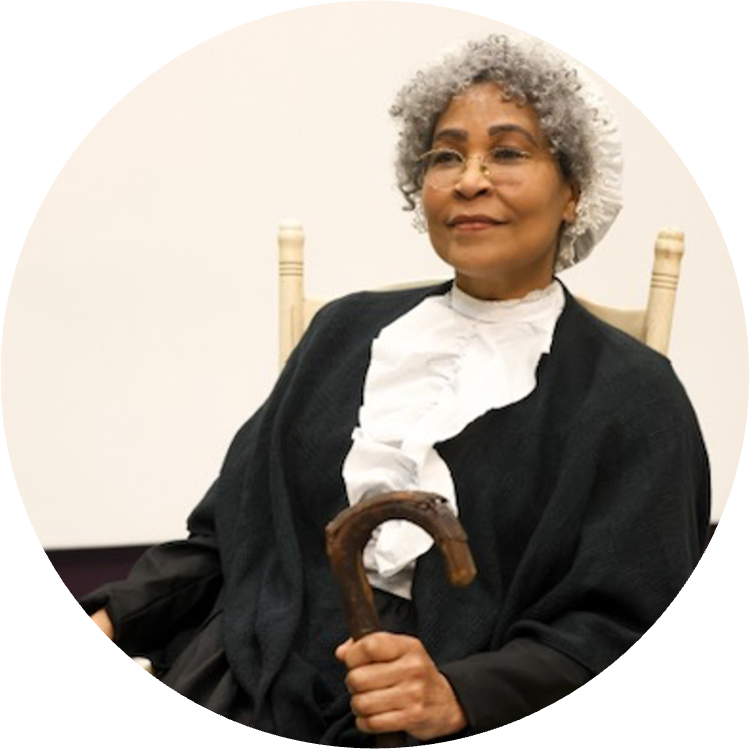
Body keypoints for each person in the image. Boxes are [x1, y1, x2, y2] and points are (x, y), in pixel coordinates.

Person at [81, 35, 710, 744]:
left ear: (575, 193)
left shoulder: (633, 396)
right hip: (254, 674)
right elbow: (229, 538)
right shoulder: (342, 333)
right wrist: (118, 614)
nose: (470, 180)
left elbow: (622, 625)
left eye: (508, 153)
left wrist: (461, 695)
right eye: (446, 156)